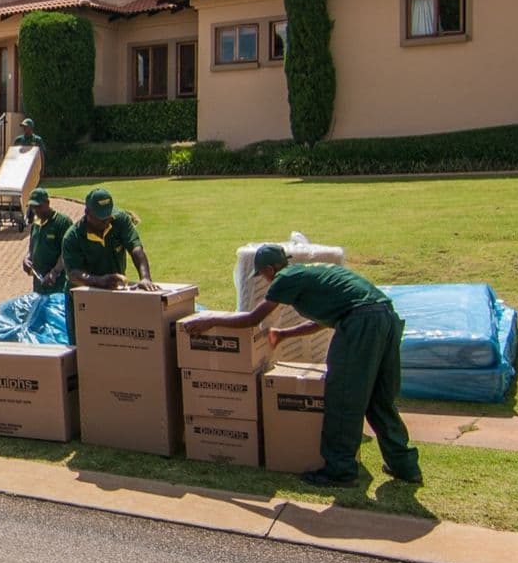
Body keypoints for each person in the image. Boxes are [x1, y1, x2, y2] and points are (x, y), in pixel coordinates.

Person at [181, 244, 422, 487]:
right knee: (380, 399)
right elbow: (323, 321)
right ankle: (405, 466)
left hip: (361, 325)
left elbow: (254, 318)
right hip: (385, 318)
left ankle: (340, 471)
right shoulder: (310, 274)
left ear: (270, 269)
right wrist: (284, 334)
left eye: (262, 275)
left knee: (343, 397)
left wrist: (210, 320)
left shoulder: (284, 278)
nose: (264, 280)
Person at [60, 187, 153, 290]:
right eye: (100, 217)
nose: (105, 221)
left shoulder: (120, 220)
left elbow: (136, 248)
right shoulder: (73, 237)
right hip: (81, 295)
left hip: (113, 289)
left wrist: (145, 278)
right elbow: (73, 273)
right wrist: (99, 281)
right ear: (87, 212)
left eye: (108, 215)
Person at [19, 187, 72, 294]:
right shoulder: (36, 223)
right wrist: (27, 258)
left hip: (57, 284)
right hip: (39, 284)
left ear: (47, 203)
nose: (35, 211)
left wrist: (54, 272)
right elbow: (32, 247)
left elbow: (67, 252)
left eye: (38, 207)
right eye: (33, 207)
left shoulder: (62, 222)